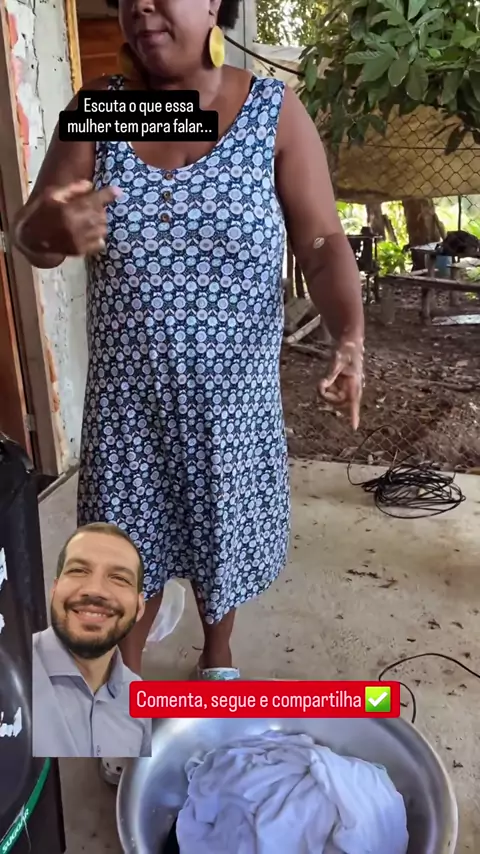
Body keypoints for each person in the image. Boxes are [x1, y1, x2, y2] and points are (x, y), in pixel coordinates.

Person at [13, 0, 364, 680]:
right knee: (122, 558)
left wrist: (350, 332)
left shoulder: (271, 113)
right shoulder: (107, 110)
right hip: (129, 412)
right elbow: (31, 231)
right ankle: (123, 685)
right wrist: (55, 228)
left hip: (232, 410)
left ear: (212, 4)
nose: (140, 6)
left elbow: (322, 242)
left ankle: (217, 656)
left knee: (220, 544)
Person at [32, 522, 152, 758]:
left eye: (119, 578)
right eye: (78, 571)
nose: (96, 590)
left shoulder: (139, 699)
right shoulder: (12, 673)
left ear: (139, 608)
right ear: (54, 590)